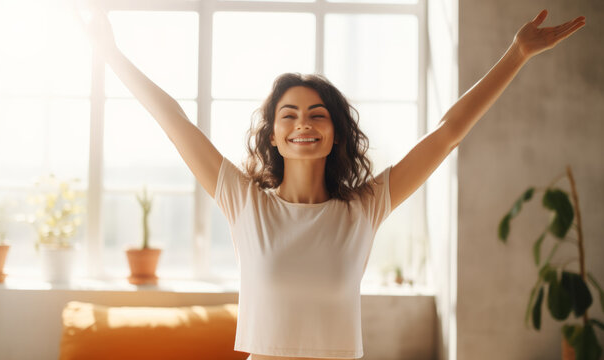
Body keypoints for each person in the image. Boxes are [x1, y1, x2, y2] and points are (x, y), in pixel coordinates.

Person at [78, 7, 585, 360]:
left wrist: (516, 55)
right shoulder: (244, 203)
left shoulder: (363, 209)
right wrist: (113, 57)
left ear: (334, 133)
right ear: (273, 136)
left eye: (317, 115)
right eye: (290, 114)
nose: (304, 123)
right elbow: (176, 123)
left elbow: (448, 133)